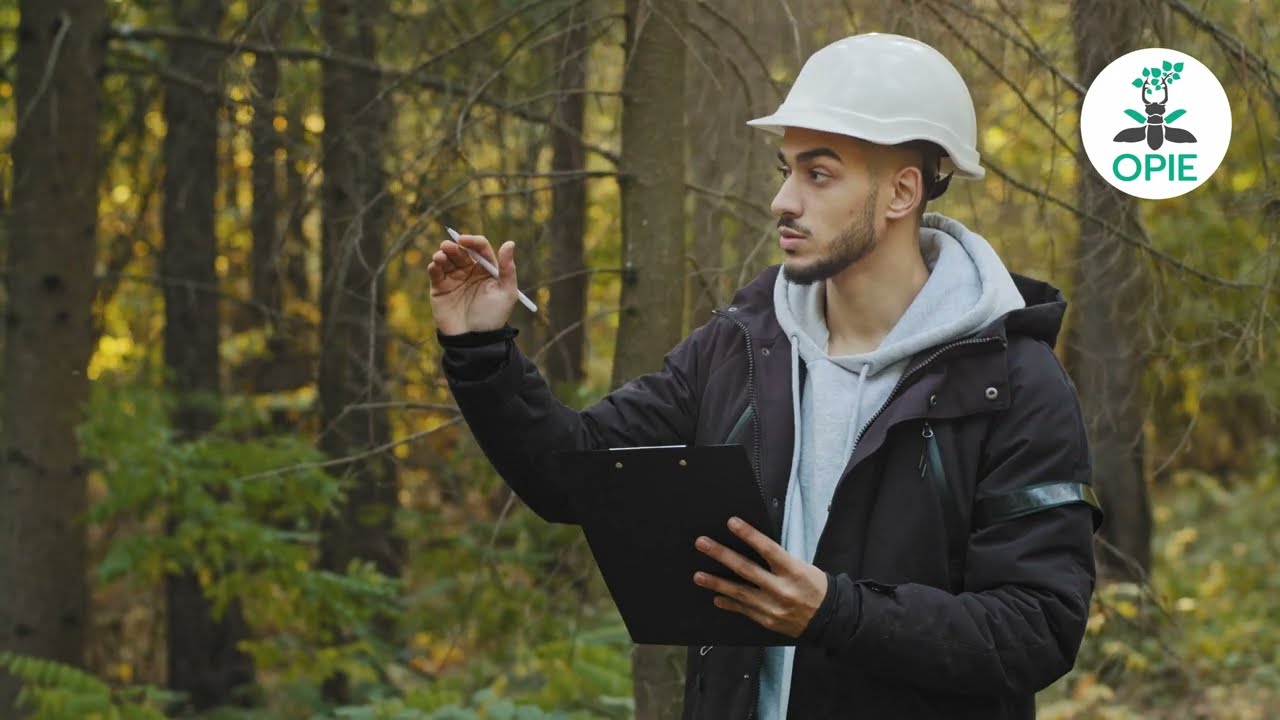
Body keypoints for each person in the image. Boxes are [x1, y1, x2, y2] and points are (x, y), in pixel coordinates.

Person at [428, 32, 1102, 720]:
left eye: (818, 174)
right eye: (785, 171)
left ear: (901, 192)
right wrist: (481, 348)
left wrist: (836, 613)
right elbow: (573, 478)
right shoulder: (741, 346)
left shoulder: (1012, 381)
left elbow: (1037, 629)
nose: (783, 200)